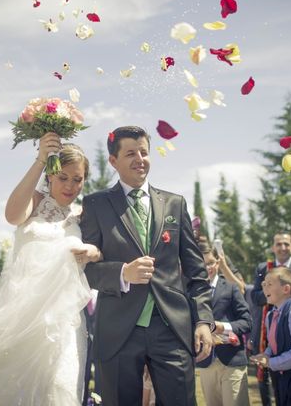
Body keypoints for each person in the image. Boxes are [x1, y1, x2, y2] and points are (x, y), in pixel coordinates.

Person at [81, 126, 215, 406]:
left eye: (144, 152)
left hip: (171, 329)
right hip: (118, 332)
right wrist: (121, 273)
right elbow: (86, 270)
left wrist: (203, 320)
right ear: (113, 161)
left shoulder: (174, 204)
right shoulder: (95, 205)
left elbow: (196, 272)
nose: (139, 158)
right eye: (130, 153)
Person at [0, 134, 100, 405]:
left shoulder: (81, 215)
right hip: (26, 319)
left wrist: (93, 252)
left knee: (59, 388)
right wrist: (41, 159)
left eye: (78, 179)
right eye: (63, 177)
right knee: (20, 391)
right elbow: (12, 216)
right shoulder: (35, 202)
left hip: (64, 322)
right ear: (50, 175)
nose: (71, 186)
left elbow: (101, 249)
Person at [249, 231, 291, 406]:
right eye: (263, 284)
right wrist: (266, 355)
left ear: (286, 289)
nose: (264, 289)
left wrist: (271, 362)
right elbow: (273, 343)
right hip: (285, 376)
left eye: (269, 285)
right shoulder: (272, 315)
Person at [197, 243, 252, 406]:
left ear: (218, 263)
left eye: (210, 263)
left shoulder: (231, 288)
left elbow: (247, 322)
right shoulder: (192, 292)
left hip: (232, 360)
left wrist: (223, 327)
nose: (207, 268)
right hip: (206, 361)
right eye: (202, 264)